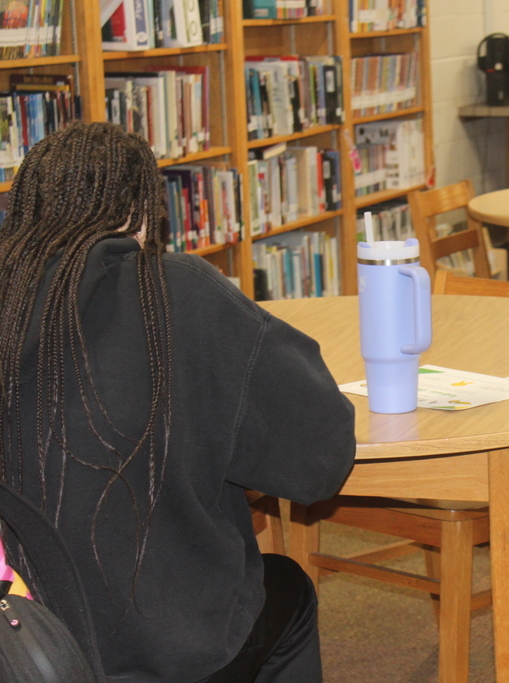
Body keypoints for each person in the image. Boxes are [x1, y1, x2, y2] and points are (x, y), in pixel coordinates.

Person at [0, 122, 357, 682]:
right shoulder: (174, 290)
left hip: (25, 645)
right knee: (288, 589)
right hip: (169, 649)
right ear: (144, 215)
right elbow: (319, 462)